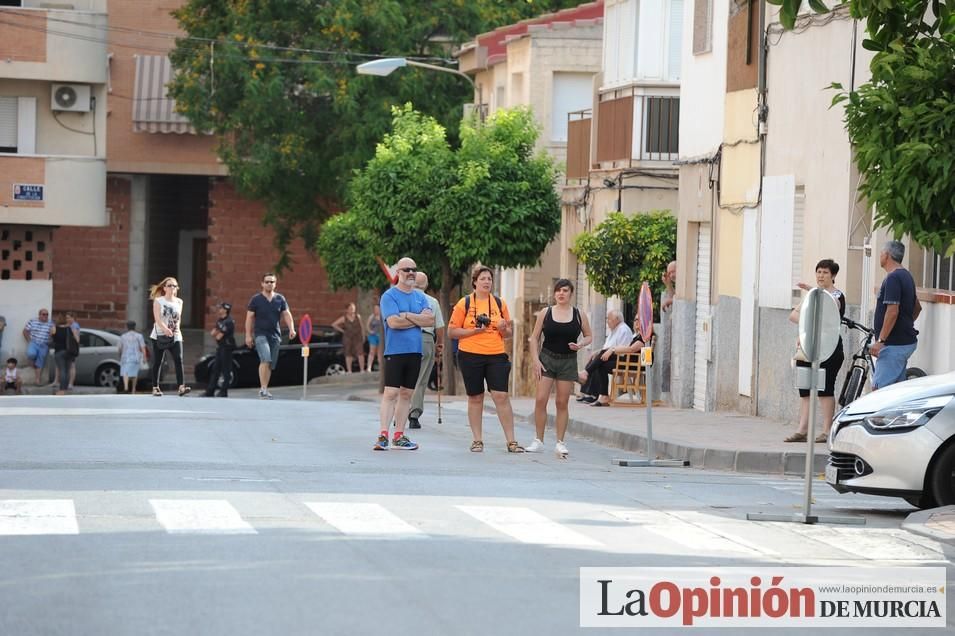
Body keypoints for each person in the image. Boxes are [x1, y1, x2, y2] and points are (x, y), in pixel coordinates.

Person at [448, 265, 525, 453]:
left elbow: (508, 333)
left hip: (496, 354)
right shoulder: (464, 304)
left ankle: (511, 441)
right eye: (482, 278)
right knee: (475, 397)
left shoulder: (500, 304)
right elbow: (452, 332)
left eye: (489, 279)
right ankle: (477, 440)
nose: (486, 282)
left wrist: (502, 327)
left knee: (501, 395)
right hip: (470, 354)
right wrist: (474, 331)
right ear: (474, 282)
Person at [526, 279, 592, 458]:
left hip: (568, 361)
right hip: (546, 359)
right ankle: (538, 440)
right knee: (540, 399)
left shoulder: (579, 314)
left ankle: (560, 443)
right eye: (558, 291)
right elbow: (534, 338)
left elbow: (589, 336)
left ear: (571, 294)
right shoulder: (545, 313)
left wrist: (580, 345)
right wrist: (535, 361)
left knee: (562, 402)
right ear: (554, 294)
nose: (561, 294)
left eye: (565, 290)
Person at [374, 257, 433, 451]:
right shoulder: (389, 296)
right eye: (406, 269)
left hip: (415, 351)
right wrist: (416, 318)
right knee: (391, 392)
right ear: (398, 272)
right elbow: (393, 323)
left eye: (413, 269)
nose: (410, 273)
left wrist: (406, 315)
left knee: (407, 393)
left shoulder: (420, 297)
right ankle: (383, 434)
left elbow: (429, 320)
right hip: (395, 351)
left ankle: (399, 435)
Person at [785, 259, 846, 443]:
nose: (821, 275)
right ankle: (802, 430)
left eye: (825, 272)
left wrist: (816, 294)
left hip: (829, 348)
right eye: (818, 271)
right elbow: (793, 315)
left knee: (825, 389)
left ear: (833, 276)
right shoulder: (811, 295)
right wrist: (808, 318)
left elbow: (830, 311)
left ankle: (827, 430)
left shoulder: (836, 295)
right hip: (808, 346)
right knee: (805, 388)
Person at [870, 240, 921, 390]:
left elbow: (892, 311)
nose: (880, 256)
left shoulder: (893, 278)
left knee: (879, 393)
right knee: (895, 393)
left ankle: (878, 416)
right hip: (904, 341)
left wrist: (881, 340)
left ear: (887, 255)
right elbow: (917, 307)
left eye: (881, 253)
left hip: (893, 345)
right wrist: (905, 324)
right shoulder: (906, 276)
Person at [245, 273, 296, 400]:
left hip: (275, 336)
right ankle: (262, 389)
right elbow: (249, 318)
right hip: (260, 334)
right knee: (265, 359)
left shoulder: (280, 299)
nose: (269, 284)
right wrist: (248, 335)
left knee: (270, 364)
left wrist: (291, 329)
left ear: (275, 284)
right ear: (262, 284)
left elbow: (286, 314)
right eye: (267, 282)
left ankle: (265, 389)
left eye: (272, 282)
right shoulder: (256, 299)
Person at [408, 271, 445, 430]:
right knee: (421, 378)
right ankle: (413, 415)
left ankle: (399, 412)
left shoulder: (405, 299)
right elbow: (440, 327)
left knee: (403, 378)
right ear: (426, 285)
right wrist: (439, 345)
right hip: (426, 339)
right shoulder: (432, 301)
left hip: (406, 338)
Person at [576, 310, 633, 402]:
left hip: (622, 359)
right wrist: (597, 352)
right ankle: (590, 393)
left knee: (599, 362)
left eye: (609, 319)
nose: (607, 322)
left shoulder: (623, 329)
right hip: (614, 357)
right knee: (596, 359)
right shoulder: (614, 330)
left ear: (617, 319)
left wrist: (606, 352)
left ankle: (588, 377)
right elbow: (607, 347)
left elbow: (623, 348)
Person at [586, 319, 644, 407]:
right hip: (627, 362)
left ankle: (587, 373)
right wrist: (611, 350)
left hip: (635, 365)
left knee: (603, 357)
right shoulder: (636, 336)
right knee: (602, 360)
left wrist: (612, 349)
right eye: (635, 319)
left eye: (639, 319)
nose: (636, 321)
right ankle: (604, 395)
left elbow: (631, 349)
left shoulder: (644, 337)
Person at [149, 276, 190, 397]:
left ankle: (181, 387)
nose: (172, 288)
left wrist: (176, 331)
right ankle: (155, 387)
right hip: (159, 335)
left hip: (175, 334)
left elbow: (178, 319)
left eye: (174, 285)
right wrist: (165, 329)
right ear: (164, 288)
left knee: (179, 359)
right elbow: (157, 318)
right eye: (170, 285)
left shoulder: (179, 302)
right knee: (158, 361)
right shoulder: (159, 301)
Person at [204, 303, 236, 397]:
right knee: (216, 369)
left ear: (225, 310)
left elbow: (218, 336)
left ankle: (223, 391)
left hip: (227, 348)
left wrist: (218, 332)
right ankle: (210, 391)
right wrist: (218, 332)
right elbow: (213, 333)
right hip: (220, 347)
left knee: (226, 370)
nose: (219, 310)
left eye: (221, 308)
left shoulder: (229, 321)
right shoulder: (220, 320)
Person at [22, 308, 55, 386]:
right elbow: (25, 331)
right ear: (39, 315)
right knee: (31, 354)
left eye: (47, 314)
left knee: (40, 362)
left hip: (44, 344)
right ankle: (32, 363)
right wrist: (29, 341)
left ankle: (37, 380)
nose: (45, 316)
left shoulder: (51, 323)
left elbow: (53, 334)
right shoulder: (32, 321)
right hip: (34, 342)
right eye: (44, 314)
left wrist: (51, 337)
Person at [332, 302, 366, 374]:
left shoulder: (358, 316)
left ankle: (362, 369)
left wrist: (363, 335)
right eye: (351, 309)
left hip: (358, 336)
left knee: (360, 353)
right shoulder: (344, 318)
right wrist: (342, 330)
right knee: (348, 353)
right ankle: (349, 370)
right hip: (348, 337)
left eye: (353, 309)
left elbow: (362, 327)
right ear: (347, 310)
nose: (352, 310)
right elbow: (334, 324)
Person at [51, 312, 79, 395]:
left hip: (59, 351)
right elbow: (77, 340)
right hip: (69, 351)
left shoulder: (54, 328)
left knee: (62, 370)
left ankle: (62, 389)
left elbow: (51, 337)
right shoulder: (71, 328)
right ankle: (65, 388)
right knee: (67, 370)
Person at [117, 320, 147, 395]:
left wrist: (119, 355)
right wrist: (144, 357)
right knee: (134, 373)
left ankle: (126, 387)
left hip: (125, 357)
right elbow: (143, 347)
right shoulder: (139, 336)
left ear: (127, 327)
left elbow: (120, 348)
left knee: (125, 372)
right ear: (134, 327)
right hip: (136, 357)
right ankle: (133, 389)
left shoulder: (123, 336)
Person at [365, 304, 383, 373]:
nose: (376, 310)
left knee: (379, 352)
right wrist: (370, 331)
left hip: (380, 336)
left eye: (377, 309)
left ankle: (381, 367)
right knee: (372, 351)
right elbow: (367, 326)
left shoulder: (382, 316)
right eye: (375, 309)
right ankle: (369, 367)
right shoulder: (371, 317)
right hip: (373, 336)